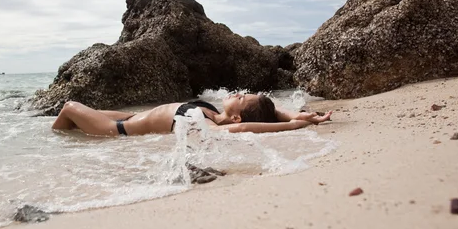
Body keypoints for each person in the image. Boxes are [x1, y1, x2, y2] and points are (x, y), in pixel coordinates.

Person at [51, 93, 332, 136]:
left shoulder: (213, 127)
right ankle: (60, 141)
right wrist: (301, 115)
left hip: (116, 129)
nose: (238, 93)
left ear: (237, 117)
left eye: (242, 98)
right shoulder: (213, 113)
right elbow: (272, 112)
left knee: (69, 107)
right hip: (127, 116)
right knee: (70, 120)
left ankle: (57, 147)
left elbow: (247, 127)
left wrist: (293, 126)